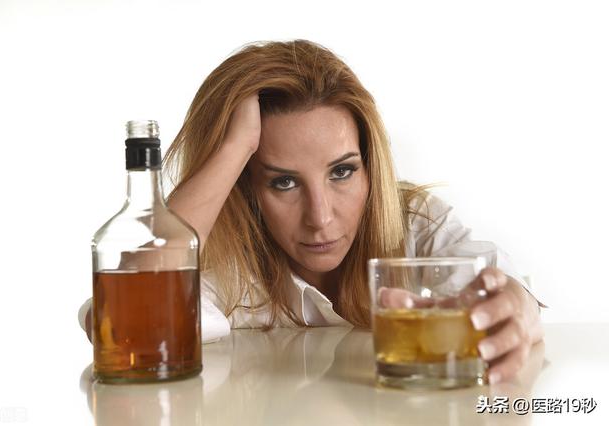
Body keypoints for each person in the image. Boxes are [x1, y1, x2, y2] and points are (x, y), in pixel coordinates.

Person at [79, 39, 544, 384]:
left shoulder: (414, 224)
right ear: (243, 187)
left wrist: (513, 307)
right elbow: (127, 319)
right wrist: (235, 147)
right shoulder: (224, 263)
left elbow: (497, 281)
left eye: (342, 172)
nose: (320, 218)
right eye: (282, 181)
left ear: (370, 166)